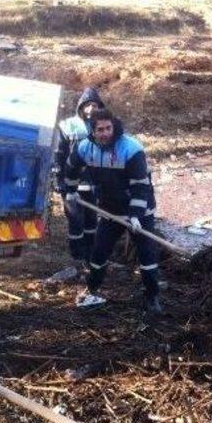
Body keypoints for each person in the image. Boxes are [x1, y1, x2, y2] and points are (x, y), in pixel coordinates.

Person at [65, 108, 162, 319]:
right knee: (99, 251)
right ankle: (92, 290)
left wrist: (135, 215)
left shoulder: (131, 149)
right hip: (110, 209)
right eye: (100, 129)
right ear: (92, 130)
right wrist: (70, 191)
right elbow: (71, 168)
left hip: (140, 209)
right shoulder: (85, 148)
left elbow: (140, 185)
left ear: (114, 126)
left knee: (146, 254)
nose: (105, 133)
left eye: (108, 128)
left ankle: (152, 296)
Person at [53, 87, 105, 268]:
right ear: (81, 107)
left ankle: (90, 254)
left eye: (95, 105)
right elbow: (59, 155)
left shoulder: (103, 127)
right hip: (72, 184)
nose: (91, 109)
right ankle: (77, 255)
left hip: (93, 184)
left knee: (92, 220)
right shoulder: (68, 126)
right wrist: (60, 182)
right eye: (88, 105)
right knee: (76, 221)